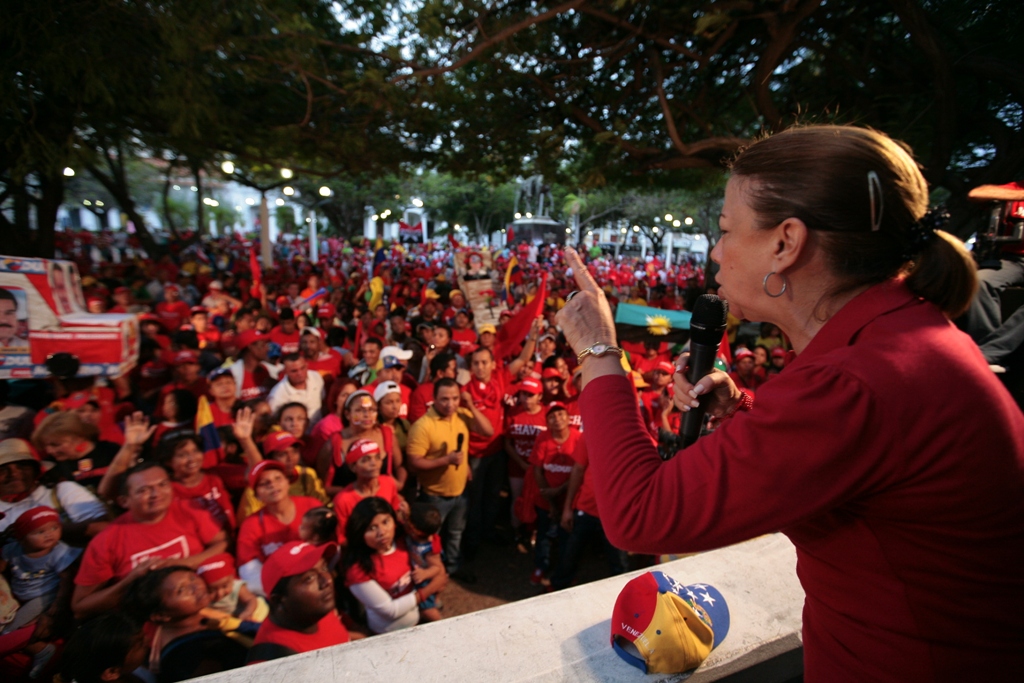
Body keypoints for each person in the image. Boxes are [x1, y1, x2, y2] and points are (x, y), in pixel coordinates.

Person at [555, 125, 1024, 681]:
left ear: (786, 243)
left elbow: (639, 513)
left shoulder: (858, 380)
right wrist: (748, 413)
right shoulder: (896, 343)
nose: (716, 251)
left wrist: (599, 349)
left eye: (727, 229)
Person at [72, 462, 229, 620]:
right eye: (144, 490)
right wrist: (129, 583)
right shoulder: (105, 542)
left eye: (162, 484)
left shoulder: (189, 509)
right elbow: (81, 606)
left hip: (210, 604)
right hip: (150, 623)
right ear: (124, 501)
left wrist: (185, 563)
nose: (156, 494)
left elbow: (222, 543)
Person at [404, 378, 494, 579]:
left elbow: (488, 431)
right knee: (430, 537)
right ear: (434, 399)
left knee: (455, 532)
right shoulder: (423, 426)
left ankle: (452, 567)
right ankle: (430, 574)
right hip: (434, 495)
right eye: (444, 399)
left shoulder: (461, 415)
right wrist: (446, 460)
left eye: (455, 398)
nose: (450, 404)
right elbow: (414, 462)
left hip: (460, 492)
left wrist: (470, 405)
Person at [123, 566, 247, 683]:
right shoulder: (188, 656)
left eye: (192, 578)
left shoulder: (210, 614)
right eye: (181, 590)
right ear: (161, 615)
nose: (196, 587)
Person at [0, 507, 81, 678]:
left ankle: (43, 651)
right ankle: (39, 650)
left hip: (44, 595)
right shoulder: (13, 549)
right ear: (21, 538)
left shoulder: (58, 551)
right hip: (20, 595)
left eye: (54, 528)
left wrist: (56, 606)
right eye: (40, 531)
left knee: (9, 632)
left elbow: (67, 580)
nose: (49, 534)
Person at [342, 497, 439, 634]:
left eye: (385, 522)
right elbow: (391, 611)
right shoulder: (357, 570)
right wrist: (430, 588)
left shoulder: (403, 540)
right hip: (387, 632)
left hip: (417, 620)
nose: (382, 532)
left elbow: (432, 547)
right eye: (372, 528)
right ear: (359, 532)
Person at [247, 541, 350, 663]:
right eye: (309, 578)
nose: (327, 580)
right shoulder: (272, 662)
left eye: (324, 567)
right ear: (280, 601)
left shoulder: (315, 610)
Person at [235, 460, 322, 596]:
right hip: (280, 591)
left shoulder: (312, 506)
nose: (273, 485)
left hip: (319, 578)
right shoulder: (251, 524)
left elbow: (332, 547)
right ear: (257, 495)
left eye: (278, 479)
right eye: (264, 483)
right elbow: (249, 571)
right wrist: (282, 593)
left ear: (288, 482)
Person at [0, 438, 110, 545]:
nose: (14, 474)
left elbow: (103, 527)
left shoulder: (62, 491)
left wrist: (42, 529)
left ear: (36, 470)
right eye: (3, 470)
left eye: (22, 466)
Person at [331, 439, 404, 543]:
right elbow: (342, 539)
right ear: (353, 467)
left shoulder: (388, 482)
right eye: (365, 460)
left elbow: (396, 512)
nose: (374, 463)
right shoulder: (343, 500)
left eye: (377, 457)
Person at [404, 502, 445, 622]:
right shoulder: (419, 532)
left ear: (417, 532)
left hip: (425, 579)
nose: (406, 525)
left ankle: (441, 624)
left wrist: (424, 574)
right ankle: (436, 600)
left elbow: (437, 567)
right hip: (418, 572)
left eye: (409, 525)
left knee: (426, 609)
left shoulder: (429, 548)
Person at [267, 353, 324, 422]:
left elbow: (323, 402)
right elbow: (275, 421)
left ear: (307, 365)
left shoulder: (316, 377)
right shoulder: (277, 395)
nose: (300, 373)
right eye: (294, 371)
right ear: (285, 372)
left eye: (302, 368)